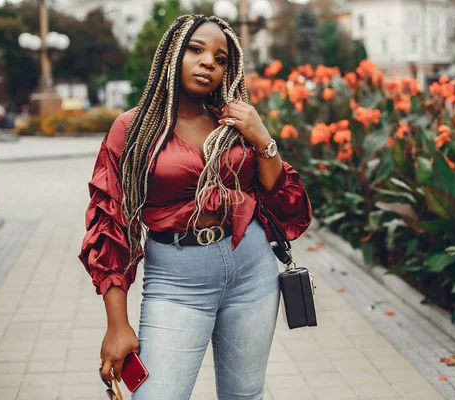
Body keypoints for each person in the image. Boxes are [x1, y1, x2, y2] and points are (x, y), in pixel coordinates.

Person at [79, 14, 312, 400]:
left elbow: (280, 196)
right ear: (172, 53)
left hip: (251, 270)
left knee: (245, 394)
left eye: (221, 59)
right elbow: (110, 225)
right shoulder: (133, 128)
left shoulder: (233, 123)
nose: (209, 63)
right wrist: (116, 324)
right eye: (196, 49)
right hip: (175, 280)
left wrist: (262, 138)